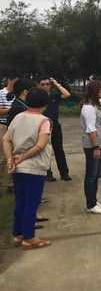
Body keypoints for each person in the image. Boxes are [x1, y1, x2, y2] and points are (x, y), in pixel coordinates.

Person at [2, 88, 52, 249]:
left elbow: (6, 139)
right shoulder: (44, 121)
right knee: (32, 202)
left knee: (21, 202)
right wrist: (23, 157)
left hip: (17, 168)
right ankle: (30, 238)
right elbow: (40, 146)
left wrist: (11, 159)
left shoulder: (18, 117)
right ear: (45, 103)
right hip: (34, 168)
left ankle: (18, 234)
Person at [81, 80, 101, 214]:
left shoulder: (96, 105)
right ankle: (90, 204)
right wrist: (96, 147)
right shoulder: (89, 108)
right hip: (93, 146)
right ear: (95, 91)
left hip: (100, 145)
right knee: (91, 175)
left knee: (96, 174)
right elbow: (90, 129)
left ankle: (93, 200)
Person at [37, 75, 71, 181]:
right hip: (42, 126)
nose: (45, 86)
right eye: (42, 84)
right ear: (38, 85)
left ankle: (64, 173)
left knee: (59, 149)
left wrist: (57, 84)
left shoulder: (54, 95)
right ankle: (48, 173)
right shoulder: (35, 97)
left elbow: (67, 94)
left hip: (55, 125)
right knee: (45, 150)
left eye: (47, 84)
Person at [1, 73, 21, 192]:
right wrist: (13, 109)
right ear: (9, 80)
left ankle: (11, 184)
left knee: (14, 155)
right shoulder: (1, 94)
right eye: (16, 81)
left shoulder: (17, 95)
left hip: (16, 127)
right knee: (3, 158)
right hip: (3, 127)